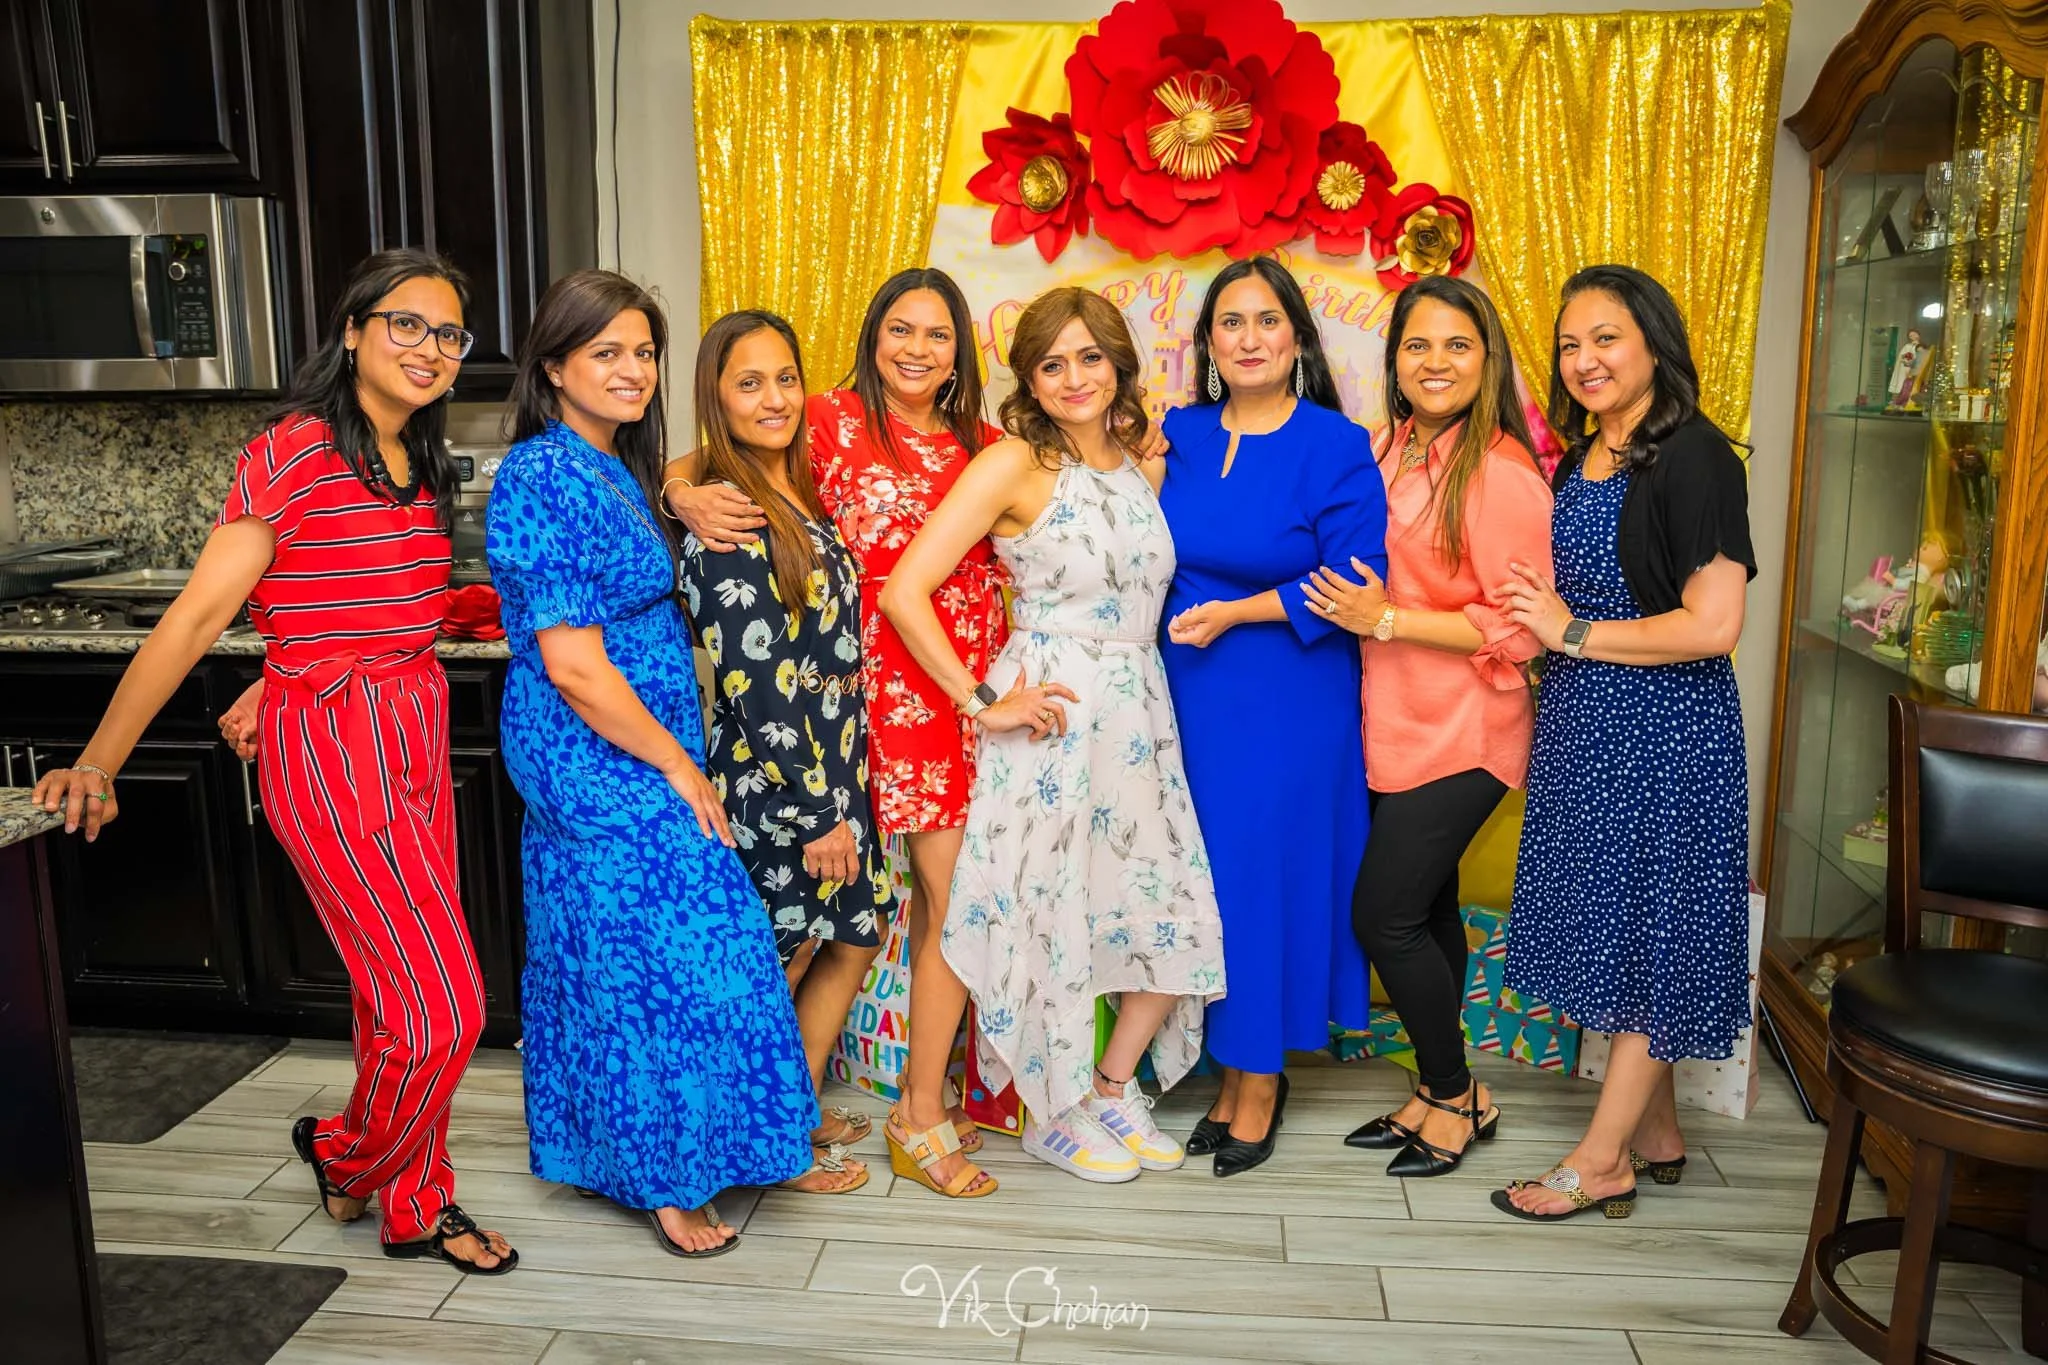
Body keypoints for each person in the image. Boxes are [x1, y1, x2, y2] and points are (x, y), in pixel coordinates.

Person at [35, 249, 515, 1274]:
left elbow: (349, 602)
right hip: (334, 747)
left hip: (412, 729)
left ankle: (413, 1199)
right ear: (352, 331)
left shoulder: (418, 458)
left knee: (396, 997)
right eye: (406, 323)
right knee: (445, 1008)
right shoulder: (293, 452)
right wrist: (98, 761)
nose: (429, 348)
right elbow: (198, 614)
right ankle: (347, 1152)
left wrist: (279, 670)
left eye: (447, 333)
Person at [487, 270, 815, 1257]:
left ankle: (644, 1147)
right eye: (606, 353)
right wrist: (680, 765)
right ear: (554, 368)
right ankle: (666, 1174)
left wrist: (674, 486)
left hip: (636, 739)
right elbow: (573, 665)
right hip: (590, 747)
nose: (632, 369)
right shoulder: (541, 473)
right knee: (654, 953)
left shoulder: (615, 463)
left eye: (643, 352)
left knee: (615, 949)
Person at [878, 286, 1225, 1193]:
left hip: (1139, 712)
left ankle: (1110, 1086)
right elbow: (905, 590)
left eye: (1090, 358)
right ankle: (1052, 1108)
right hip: (1054, 716)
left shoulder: (1140, 468)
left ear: (1118, 365)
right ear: (1029, 379)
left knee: (1161, 898)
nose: (1074, 378)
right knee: (1049, 910)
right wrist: (980, 699)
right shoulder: (1012, 465)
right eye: (1052, 363)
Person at [665, 268, 1001, 1153]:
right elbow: (702, 460)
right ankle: (748, 1132)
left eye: (938, 333)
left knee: (868, 923)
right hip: (821, 734)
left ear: (961, 350)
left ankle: (815, 1110)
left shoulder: (978, 445)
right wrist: (679, 493)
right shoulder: (814, 430)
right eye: (901, 329)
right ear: (871, 336)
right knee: (787, 941)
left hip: (889, 715)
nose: (918, 349)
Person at [1492, 264, 1755, 1222]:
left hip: (1664, 734)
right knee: (1621, 922)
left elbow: (1712, 624)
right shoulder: (1580, 458)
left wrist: (1569, 631)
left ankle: (1601, 1160)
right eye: (1569, 344)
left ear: (1654, 342)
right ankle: (1659, 1131)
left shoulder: (1697, 456)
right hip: (1585, 725)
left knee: (1654, 934)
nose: (1584, 359)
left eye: (1605, 338)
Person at [1300, 275, 1553, 1177]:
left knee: (1384, 917)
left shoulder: (1501, 472)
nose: (1435, 362)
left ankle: (1453, 1093)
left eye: (1457, 345)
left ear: (1488, 361)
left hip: (1467, 727)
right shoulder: (1387, 447)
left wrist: (1387, 619)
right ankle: (1447, 1089)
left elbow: (1522, 629)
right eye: (1417, 344)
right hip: (1394, 722)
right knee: (1429, 906)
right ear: (1395, 360)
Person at [1158, 256, 1388, 1177]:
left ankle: (1258, 1079)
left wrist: (1236, 612)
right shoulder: (1174, 433)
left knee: (1258, 880)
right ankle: (1227, 1072)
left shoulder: (1335, 443)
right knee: (1206, 880)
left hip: (1287, 696)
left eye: (1266, 320)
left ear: (1297, 336)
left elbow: (1357, 580)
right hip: (1185, 693)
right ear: (1208, 343)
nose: (1249, 338)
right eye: (1231, 322)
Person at [678, 308, 892, 1194]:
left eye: (785, 378)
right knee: (780, 958)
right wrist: (817, 811)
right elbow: (755, 686)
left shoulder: (795, 488)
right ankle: (766, 1143)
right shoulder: (727, 519)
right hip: (780, 780)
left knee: (848, 934)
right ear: (716, 398)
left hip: (835, 764)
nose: (774, 398)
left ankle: (788, 1108)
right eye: (749, 382)